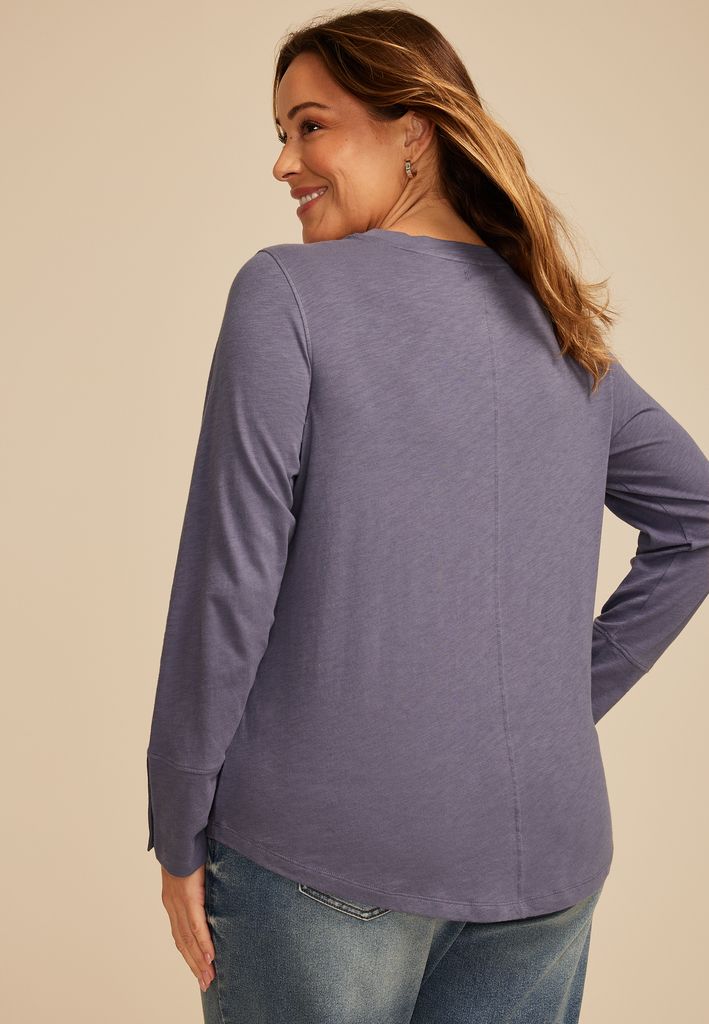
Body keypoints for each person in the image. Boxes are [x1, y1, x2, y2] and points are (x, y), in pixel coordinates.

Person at [145, 8, 709, 1023]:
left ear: (414, 129)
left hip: (323, 853)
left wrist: (176, 816)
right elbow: (697, 519)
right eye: (280, 133)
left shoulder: (285, 295)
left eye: (310, 126)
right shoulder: (555, 325)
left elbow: (227, 585)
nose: (283, 162)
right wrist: (553, 706)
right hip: (544, 859)